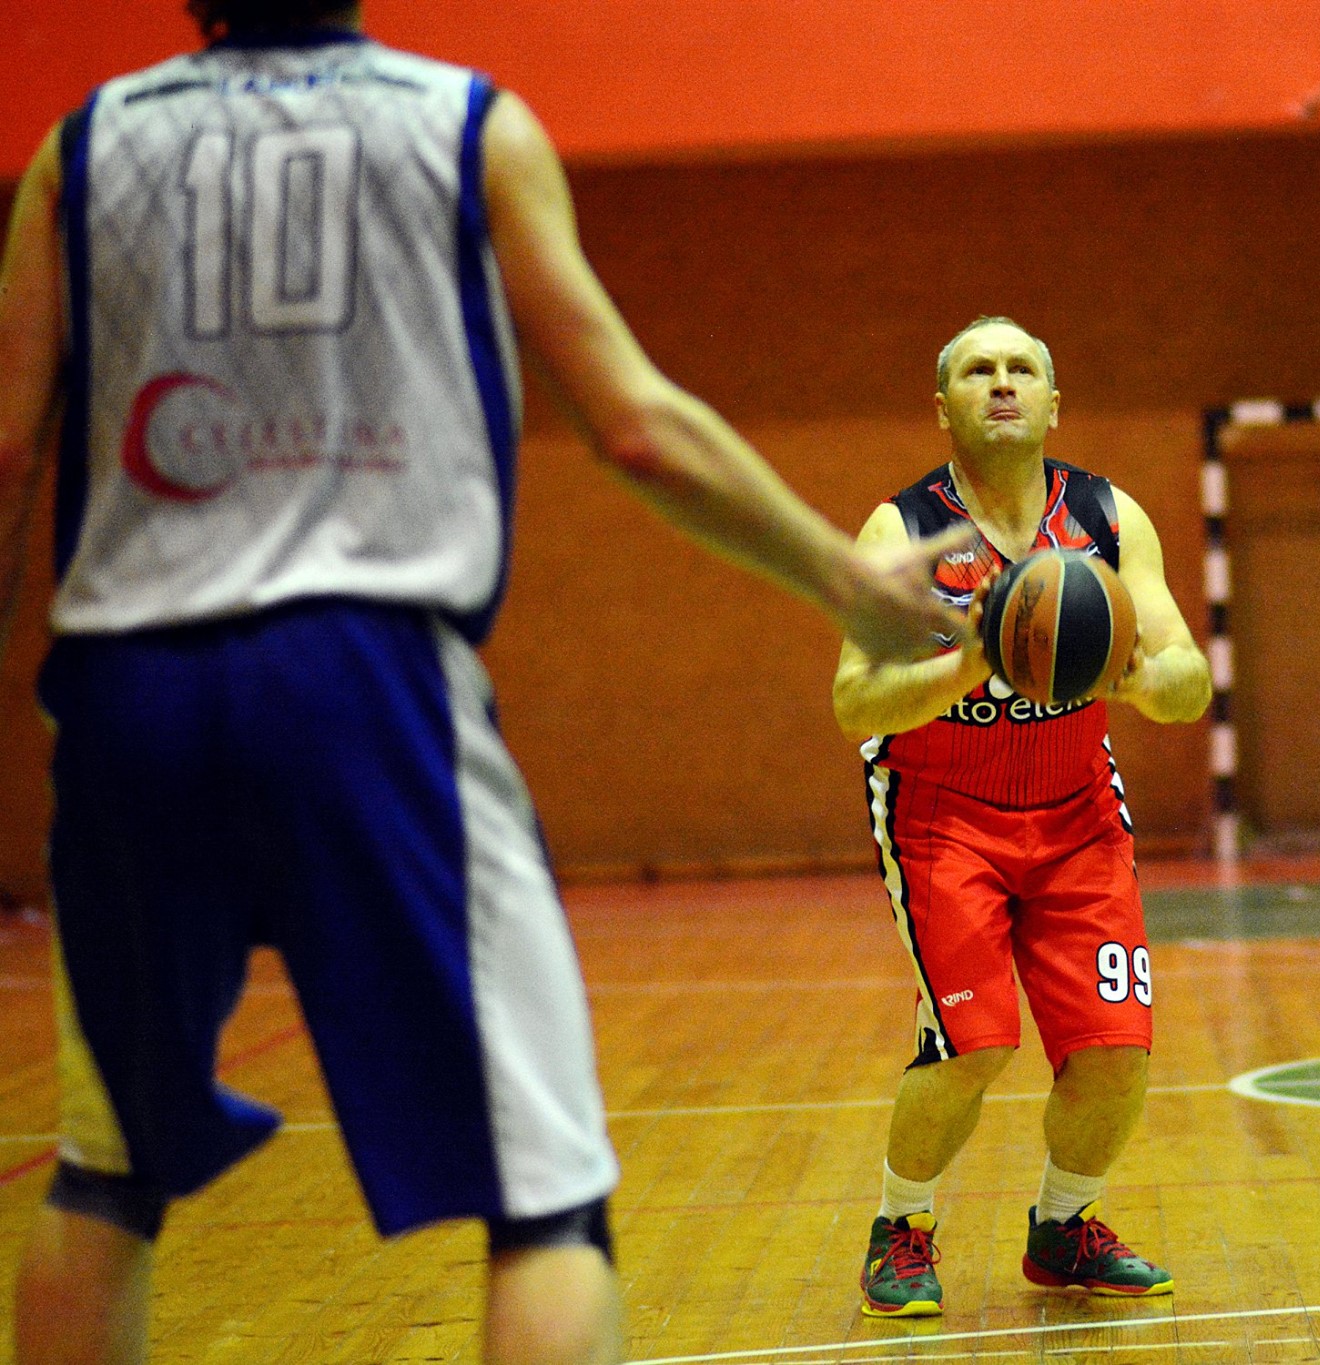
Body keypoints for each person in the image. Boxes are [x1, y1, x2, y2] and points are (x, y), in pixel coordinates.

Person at [0, 3, 971, 1363]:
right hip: (366, 679)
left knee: (103, 1179)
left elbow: (7, 453)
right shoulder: (464, 125)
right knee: (545, 1208)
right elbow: (636, 425)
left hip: (130, 694)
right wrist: (845, 579)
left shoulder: (80, 148)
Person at [832, 317, 1212, 1317]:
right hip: (941, 813)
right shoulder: (901, 532)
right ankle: (901, 1226)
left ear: (1051, 403)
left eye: (1020, 369)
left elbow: (1187, 678)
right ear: (944, 406)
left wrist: (1134, 675)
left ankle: (1063, 1227)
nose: (1000, 383)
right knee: (976, 1044)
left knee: (1116, 1051)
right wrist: (975, 654)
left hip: (1076, 809)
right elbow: (854, 703)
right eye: (977, 370)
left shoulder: (1107, 516)